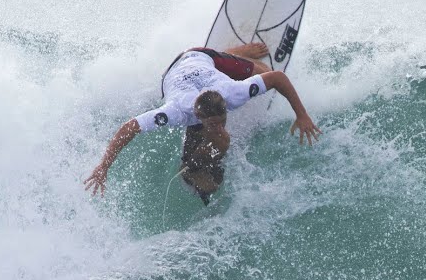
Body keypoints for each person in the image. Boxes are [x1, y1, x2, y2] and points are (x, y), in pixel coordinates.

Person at [84, 42, 322, 204]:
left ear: (226, 106)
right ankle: (230, 55)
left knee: (264, 69)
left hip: (205, 58)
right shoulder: (177, 110)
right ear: (198, 117)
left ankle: (237, 53)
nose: (219, 128)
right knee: (205, 166)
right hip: (179, 66)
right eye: (213, 124)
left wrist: (301, 115)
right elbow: (129, 128)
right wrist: (104, 166)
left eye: (221, 122)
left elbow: (278, 78)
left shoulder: (233, 92)